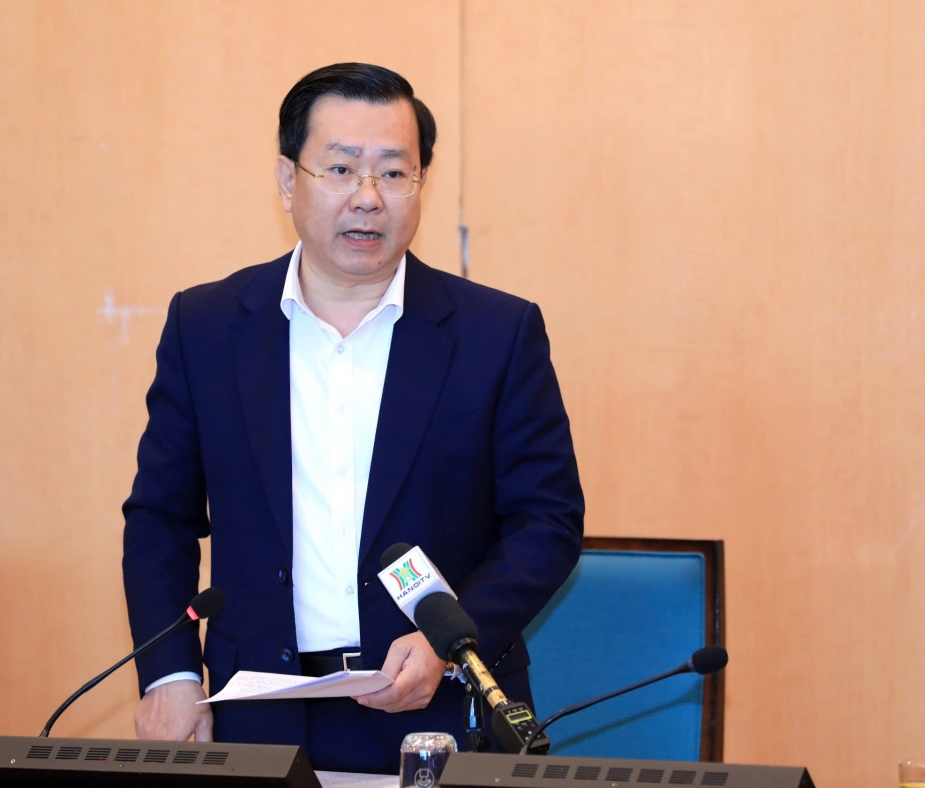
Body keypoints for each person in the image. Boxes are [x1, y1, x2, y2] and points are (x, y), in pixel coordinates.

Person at [122, 62, 584, 774]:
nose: (368, 198)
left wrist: (447, 643)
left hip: (433, 711)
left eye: (394, 173)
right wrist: (171, 675)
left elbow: (546, 522)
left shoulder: (496, 334)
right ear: (288, 181)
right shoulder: (207, 326)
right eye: (340, 169)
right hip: (255, 716)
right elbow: (160, 518)